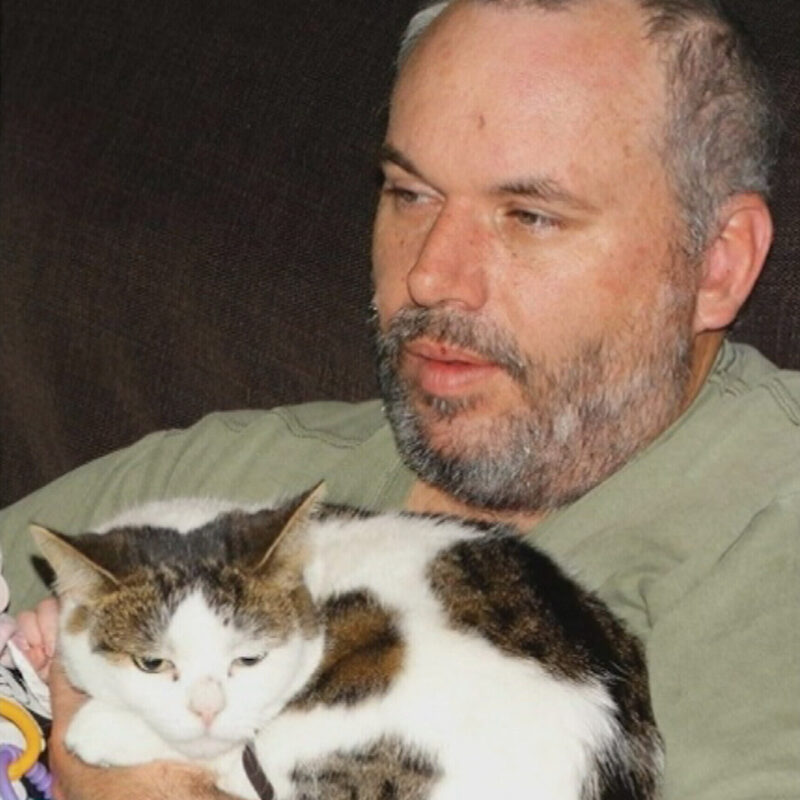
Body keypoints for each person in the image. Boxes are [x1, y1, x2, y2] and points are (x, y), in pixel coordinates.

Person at [2, 0, 798, 798]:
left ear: (718, 264)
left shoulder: (767, 533)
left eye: (529, 216)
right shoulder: (219, 482)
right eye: (411, 195)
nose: (430, 275)